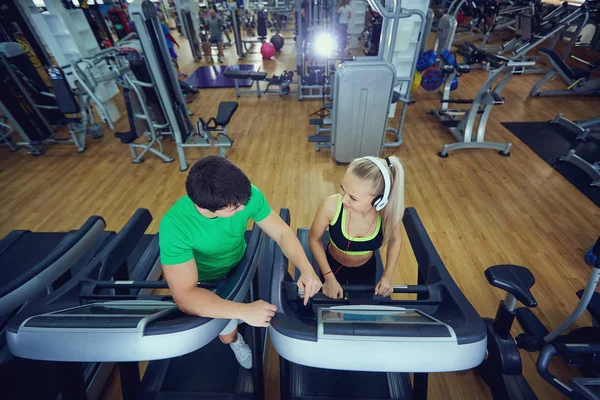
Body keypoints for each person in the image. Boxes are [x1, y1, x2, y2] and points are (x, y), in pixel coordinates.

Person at [159, 156, 322, 369]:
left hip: (237, 262)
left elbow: (281, 232)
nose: (244, 209)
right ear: (203, 207)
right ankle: (235, 341)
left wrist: (306, 269)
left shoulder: (245, 196)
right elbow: (185, 295)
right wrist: (242, 311)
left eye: (244, 202)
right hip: (203, 282)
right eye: (235, 208)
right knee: (227, 335)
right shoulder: (175, 226)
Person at [308, 156, 405, 299]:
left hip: (366, 269)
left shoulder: (387, 214)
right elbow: (314, 239)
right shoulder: (331, 206)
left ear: (379, 200)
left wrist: (388, 275)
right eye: (342, 189)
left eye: (353, 198)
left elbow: (396, 239)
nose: (344, 199)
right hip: (331, 266)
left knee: (360, 307)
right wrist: (329, 277)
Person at [159, 12, 187, 78]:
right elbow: (169, 36)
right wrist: (175, 43)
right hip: (168, 46)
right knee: (174, 59)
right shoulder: (163, 26)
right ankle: (179, 72)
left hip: (162, 46)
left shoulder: (155, 26)